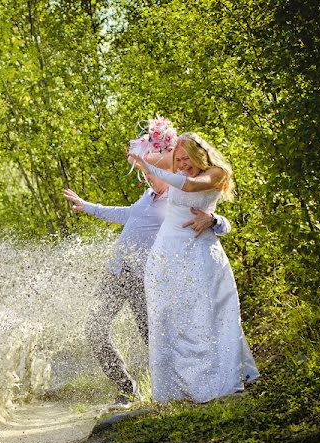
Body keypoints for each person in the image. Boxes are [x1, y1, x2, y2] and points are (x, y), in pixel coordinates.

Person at [63, 166, 232, 404]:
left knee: (154, 339)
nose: (148, 178)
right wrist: (87, 206)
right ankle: (126, 390)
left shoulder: (178, 200)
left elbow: (221, 223)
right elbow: (128, 214)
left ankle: (184, 389)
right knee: (94, 330)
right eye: (145, 174)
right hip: (117, 273)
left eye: (152, 174)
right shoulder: (147, 196)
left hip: (146, 280)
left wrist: (214, 220)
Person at [131, 132, 259, 403]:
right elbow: (148, 156)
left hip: (200, 254)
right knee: (170, 318)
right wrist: (159, 141)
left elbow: (189, 186)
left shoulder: (216, 172)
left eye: (187, 157)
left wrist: (213, 219)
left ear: (200, 154)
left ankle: (214, 382)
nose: (182, 163)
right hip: (166, 255)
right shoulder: (174, 165)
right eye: (178, 159)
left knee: (205, 315)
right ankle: (176, 390)